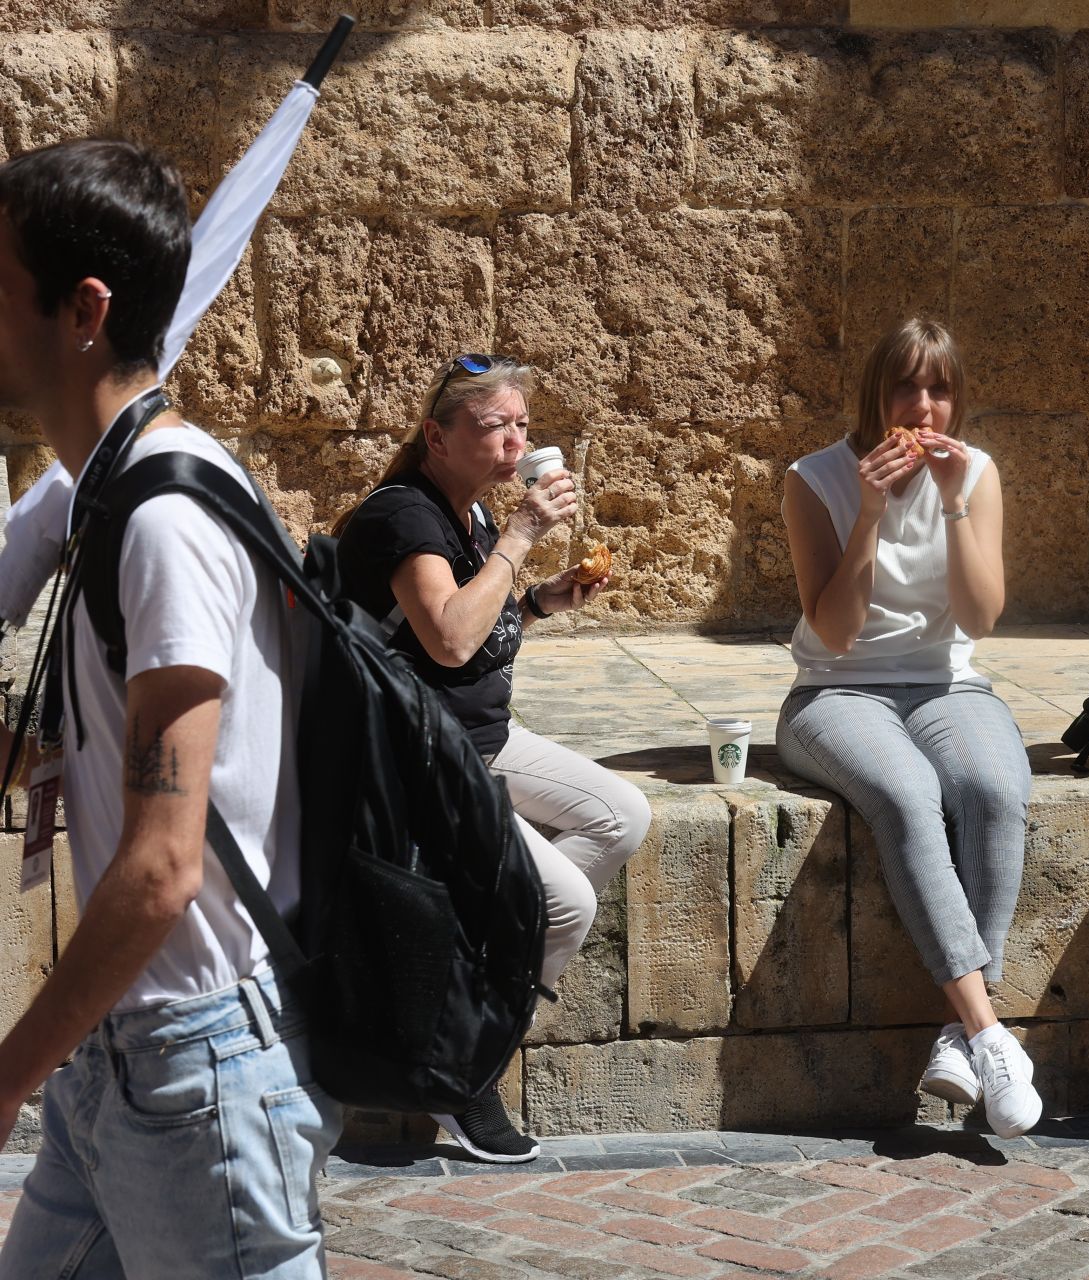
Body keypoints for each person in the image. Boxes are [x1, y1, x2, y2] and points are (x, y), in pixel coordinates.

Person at [0, 139, 338, 1277]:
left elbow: (160, 866)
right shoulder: (112, 488)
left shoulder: (165, 520)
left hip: (198, 1078)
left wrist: (7, 1073)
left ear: (81, 309)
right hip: (120, 1060)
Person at [333, 356, 652, 1163]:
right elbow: (447, 633)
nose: (516, 442)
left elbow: (474, 638)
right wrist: (523, 535)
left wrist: (540, 599)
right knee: (567, 904)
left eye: (521, 425)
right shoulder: (408, 517)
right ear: (438, 438)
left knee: (624, 815)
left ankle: (468, 973)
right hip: (417, 761)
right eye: (495, 427)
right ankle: (463, 1068)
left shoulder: (468, 514)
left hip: (482, 741)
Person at [777, 316, 1040, 1138]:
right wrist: (869, 511)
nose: (923, 407)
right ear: (875, 392)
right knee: (905, 793)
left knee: (994, 789)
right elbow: (839, 631)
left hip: (948, 684)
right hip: (836, 693)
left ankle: (959, 1040)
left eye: (940, 389)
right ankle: (990, 1031)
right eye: (906, 387)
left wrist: (955, 505)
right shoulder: (812, 478)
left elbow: (981, 616)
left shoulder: (979, 474)